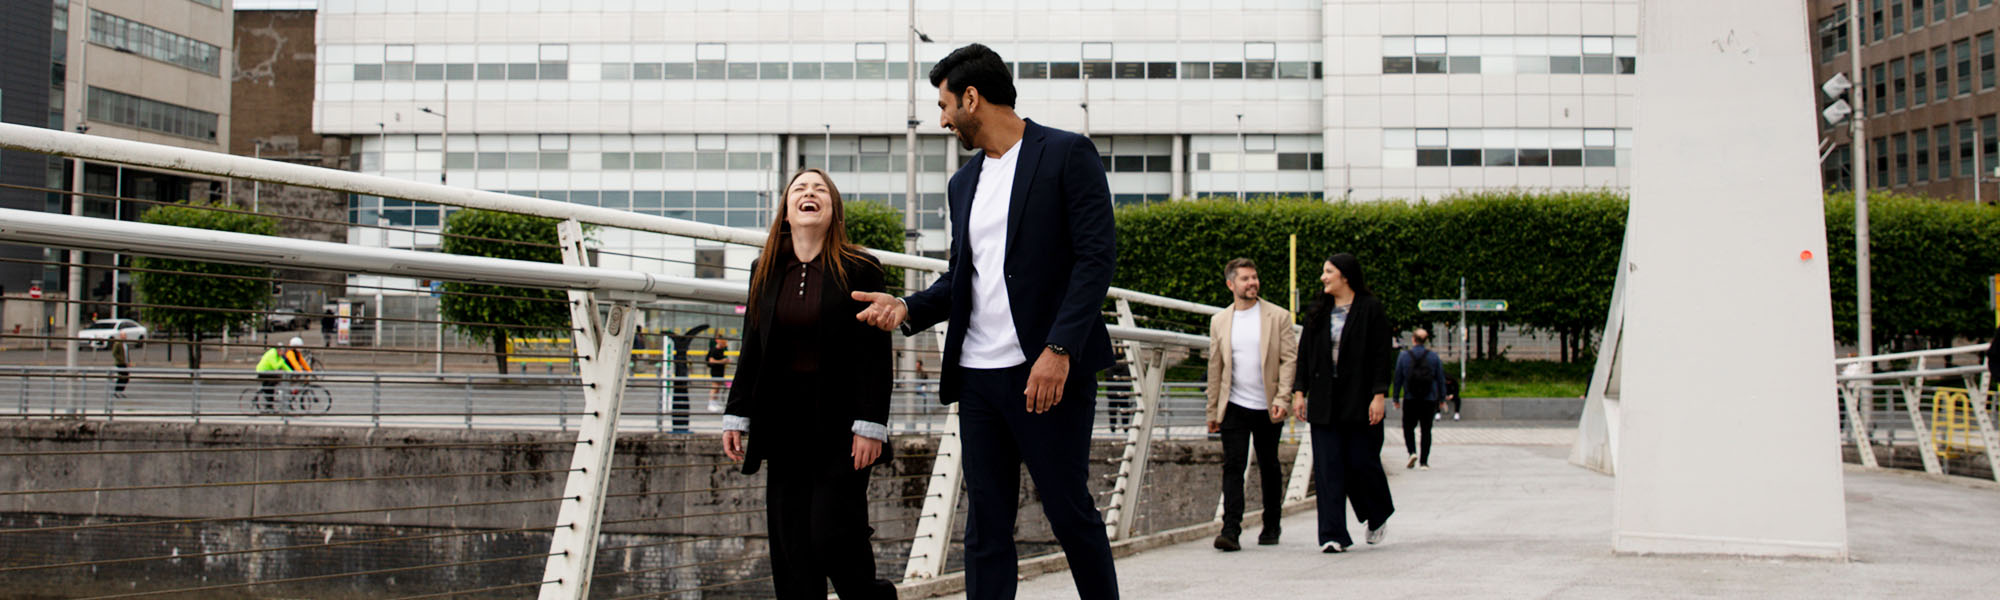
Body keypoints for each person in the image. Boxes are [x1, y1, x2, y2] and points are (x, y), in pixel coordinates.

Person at [853, 43, 1119, 600]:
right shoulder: (964, 184)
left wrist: (1060, 350)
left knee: (1070, 513)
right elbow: (960, 279)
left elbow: (1096, 259)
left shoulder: (1069, 153)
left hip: (1047, 372)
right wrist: (907, 307)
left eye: (946, 104)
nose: (943, 119)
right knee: (986, 529)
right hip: (977, 375)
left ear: (972, 97)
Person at [720, 168, 897, 600]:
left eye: (820, 189)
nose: (809, 193)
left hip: (842, 424)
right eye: (799, 188)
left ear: (832, 210)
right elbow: (753, 347)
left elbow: (875, 352)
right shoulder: (764, 268)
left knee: (834, 534)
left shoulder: (861, 268)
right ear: (786, 210)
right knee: (791, 543)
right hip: (782, 422)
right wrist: (737, 413)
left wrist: (871, 422)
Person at [1290, 253, 1395, 553]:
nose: (1323, 277)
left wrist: (1378, 395)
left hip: (1359, 400)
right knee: (1328, 469)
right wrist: (1300, 392)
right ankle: (1332, 534)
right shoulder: (1318, 311)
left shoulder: (1370, 309)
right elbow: (1305, 355)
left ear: (1345, 276)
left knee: (1362, 463)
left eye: (1328, 272)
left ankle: (1377, 515)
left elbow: (1380, 355)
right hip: (1324, 401)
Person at [1204, 258, 1296, 551]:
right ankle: (1230, 530)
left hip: (1268, 405)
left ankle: (1272, 525)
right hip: (1234, 405)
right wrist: (1213, 411)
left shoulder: (1278, 316)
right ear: (1231, 284)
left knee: (1269, 466)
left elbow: (1288, 360)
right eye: (1245, 279)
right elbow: (1215, 368)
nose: (1252, 283)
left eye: (1254, 277)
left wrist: (1283, 398)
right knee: (1233, 466)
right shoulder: (1219, 321)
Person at [1393, 329, 1447, 470]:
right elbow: (1441, 378)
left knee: (1408, 427)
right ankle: (1424, 462)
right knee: (1426, 430)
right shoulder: (1434, 357)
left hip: (1410, 398)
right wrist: (1442, 398)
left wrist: (1396, 397)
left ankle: (1412, 452)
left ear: (1413, 339)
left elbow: (1398, 378)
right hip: (1429, 399)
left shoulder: (1404, 356)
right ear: (1426, 340)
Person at [254, 337, 313, 413]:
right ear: (279, 350)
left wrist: (294, 372)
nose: (283, 353)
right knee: (273, 386)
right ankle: (273, 403)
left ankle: (281, 398)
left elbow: (287, 366)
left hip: (270, 372)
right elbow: (276, 366)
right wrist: (298, 371)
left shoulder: (294, 354)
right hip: (263, 371)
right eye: (282, 352)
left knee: (279, 384)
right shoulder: (273, 353)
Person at [707, 337, 731, 413]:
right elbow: (711, 360)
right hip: (715, 372)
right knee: (715, 387)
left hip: (720, 371)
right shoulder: (714, 350)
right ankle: (711, 404)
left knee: (717, 388)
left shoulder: (721, 350)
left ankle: (715, 403)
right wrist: (722, 361)